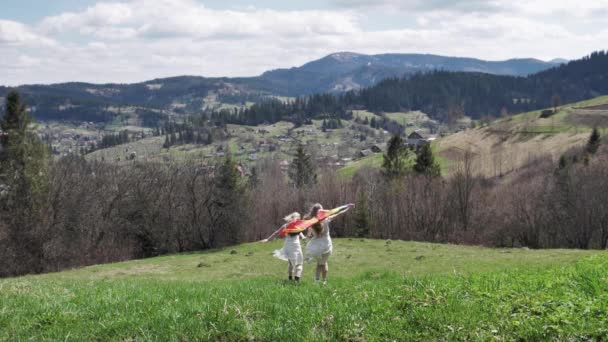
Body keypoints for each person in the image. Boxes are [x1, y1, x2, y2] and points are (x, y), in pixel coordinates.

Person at [262, 212, 306, 282]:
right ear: (297, 218)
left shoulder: (285, 225)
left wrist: (268, 239)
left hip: (287, 246)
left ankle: (290, 278)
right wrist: (303, 237)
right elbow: (300, 232)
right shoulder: (298, 226)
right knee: (299, 264)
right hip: (296, 246)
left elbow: (276, 233)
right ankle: (296, 281)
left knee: (291, 263)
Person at [305, 204, 333, 285]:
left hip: (317, 247)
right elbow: (334, 213)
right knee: (323, 263)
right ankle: (323, 282)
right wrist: (345, 208)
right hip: (326, 245)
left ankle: (317, 282)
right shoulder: (324, 219)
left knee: (321, 264)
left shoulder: (311, 222)